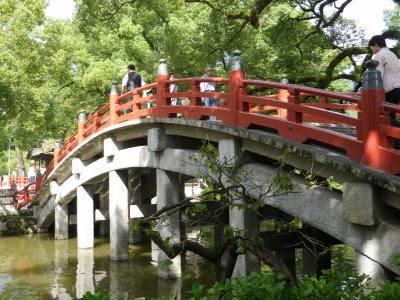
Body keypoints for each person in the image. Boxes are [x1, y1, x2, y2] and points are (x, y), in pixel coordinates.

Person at [369, 35, 400, 148]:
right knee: (391, 113)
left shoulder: (378, 55)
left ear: (376, 44)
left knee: (385, 115)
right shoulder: (392, 54)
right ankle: (394, 141)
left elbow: (378, 74)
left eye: (371, 47)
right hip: (398, 86)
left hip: (388, 87)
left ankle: (394, 141)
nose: (372, 49)